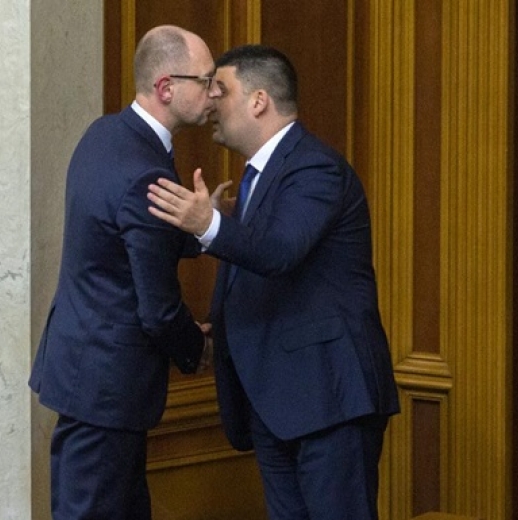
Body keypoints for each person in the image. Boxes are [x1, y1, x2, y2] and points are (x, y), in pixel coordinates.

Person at [147, 44, 400, 520]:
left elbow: (280, 252)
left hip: (328, 400)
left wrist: (208, 224)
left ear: (259, 100)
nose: (210, 101)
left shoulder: (314, 167)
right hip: (276, 403)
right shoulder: (257, 178)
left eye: (221, 90)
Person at [29, 25, 216, 520]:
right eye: (205, 80)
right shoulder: (144, 171)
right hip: (108, 388)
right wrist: (195, 349)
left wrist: (202, 226)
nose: (214, 93)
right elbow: (158, 309)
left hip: (87, 373)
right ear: (166, 87)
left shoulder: (105, 134)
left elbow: (123, 234)